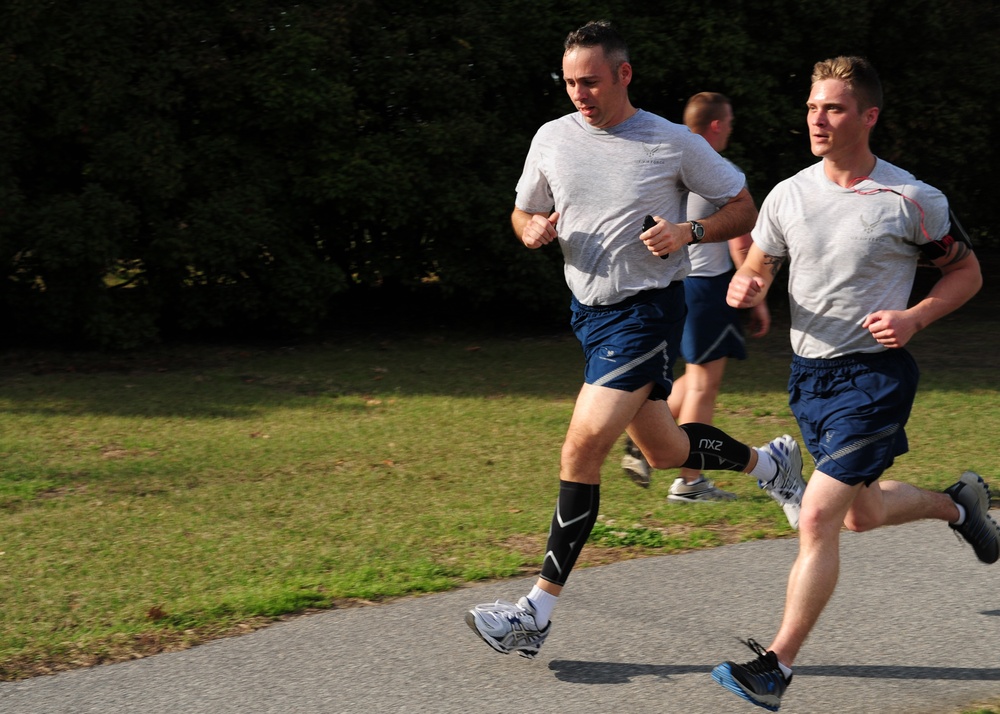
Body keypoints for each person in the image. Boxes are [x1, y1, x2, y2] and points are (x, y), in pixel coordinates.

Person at [464, 20, 807, 661]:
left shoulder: (671, 142)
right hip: (589, 316)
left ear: (623, 75)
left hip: (646, 312)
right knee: (669, 448)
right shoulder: (551, 138)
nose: (579, 94)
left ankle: (535, 611)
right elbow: (521, 210)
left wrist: (688, 233)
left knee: (582, 447)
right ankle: (772, 464)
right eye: (569, 82)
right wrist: (529, 227)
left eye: (590, 81)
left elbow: (743, 204)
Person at [711, 56, 997, 711]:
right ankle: (960, 505)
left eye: (833, 108)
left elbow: (968, 275)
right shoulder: (788, 194)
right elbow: (759, 264)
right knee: (860, 515)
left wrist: (915, 315)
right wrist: (748, 282)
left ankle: (774, 669)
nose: (817, 118)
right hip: (810, 378)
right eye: (812, 107)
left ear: (868, 116)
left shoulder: (912, 200)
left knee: (817, 514)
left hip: (874, 374)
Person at [621, 92, 772, 505]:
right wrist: (756, 295)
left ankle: (645, 442)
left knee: (693, 375)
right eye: (731, 123)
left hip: (679, 285)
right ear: (718, 126)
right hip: (710, 287)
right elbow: (742, 238)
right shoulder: (716, 169)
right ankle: (690, 481)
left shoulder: (668, 161)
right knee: (705, 384)